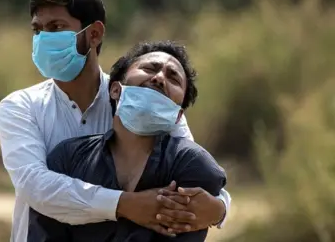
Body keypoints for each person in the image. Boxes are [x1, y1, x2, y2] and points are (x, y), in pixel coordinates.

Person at [0, 0, 231, 242]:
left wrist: (220, 208)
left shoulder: (145, 100)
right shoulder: (20, 107)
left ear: (94, 34)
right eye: (37, 30)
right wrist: (126, 204)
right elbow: (34, 186)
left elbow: (188, 167)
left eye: (57, 28)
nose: (43, 39)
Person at [27, 40, 227, 242]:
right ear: (115, 90)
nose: (159, 78)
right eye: (150, 68)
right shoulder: (68, 159)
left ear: (178, 116)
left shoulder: (191, 165)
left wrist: (220, 210)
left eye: (173, 78)